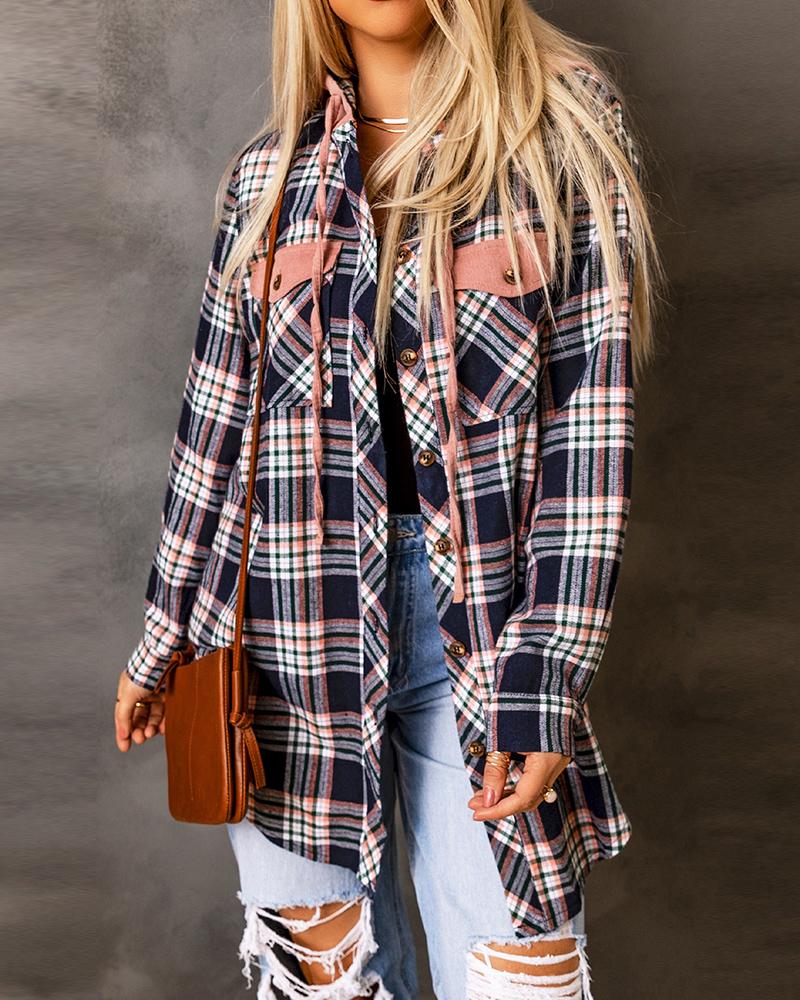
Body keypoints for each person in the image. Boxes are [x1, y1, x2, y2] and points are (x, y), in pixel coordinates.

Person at [114, 1, 660, 996]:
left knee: (513, 970)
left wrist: (544, 675)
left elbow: (588, 432)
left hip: (488, 635)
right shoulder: (268, 178)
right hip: (283, 645)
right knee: (323, 981)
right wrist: (162, 640)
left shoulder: (560, 132)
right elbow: (213, 425)